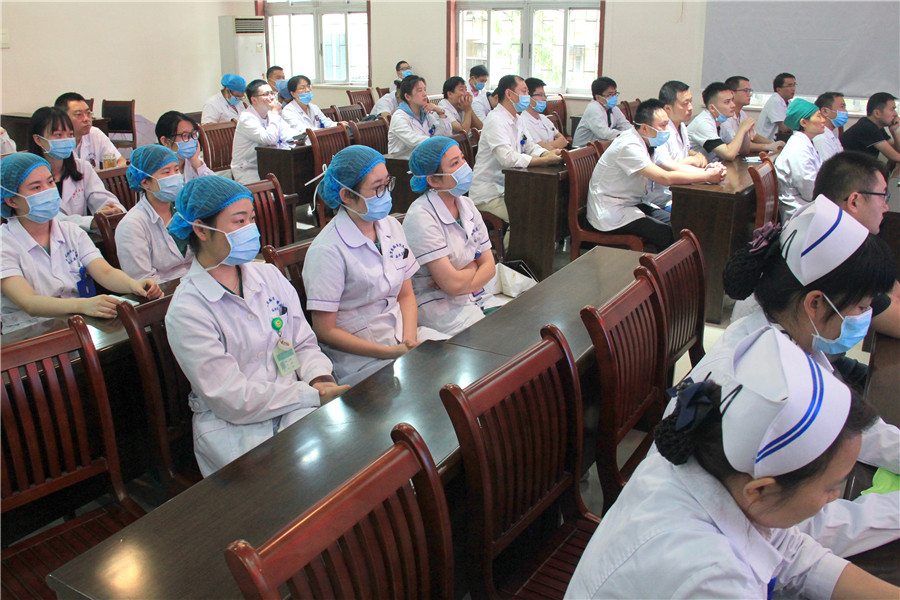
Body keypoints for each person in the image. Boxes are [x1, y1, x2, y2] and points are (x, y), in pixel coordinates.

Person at [565, 327, 898, 599]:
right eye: (831, 487)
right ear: (761, 490)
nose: (836, 496)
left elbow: (792, 554)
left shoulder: (716, 471)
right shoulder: (712, 575)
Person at [716, 196, 900, 557]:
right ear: (815, 303)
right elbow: (799, 528)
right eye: (861, 307)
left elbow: (848, 426)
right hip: (734, 547)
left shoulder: (795, 337)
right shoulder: (770, 387)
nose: (865, 317)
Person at [164, 175, 348, 476]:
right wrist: (309, 395)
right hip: (235, 431)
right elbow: (231, 398)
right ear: (201, 229)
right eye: (239, 221)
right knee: (292, 486)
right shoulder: (188, 309)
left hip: (297, 407)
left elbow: (302, 343)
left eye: (252, 219)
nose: (251, 229)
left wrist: (319, 379)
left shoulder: (268, 277)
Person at [302, 146, 447, 387]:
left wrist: (409, 340)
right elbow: (325, 330)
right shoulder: (327, 250)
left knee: (455, 360)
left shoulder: (390, 226)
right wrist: (390, 353)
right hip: (360, 358)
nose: (386, 193)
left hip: (401, 336)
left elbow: (406, 294)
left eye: (387, 183)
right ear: (346, 195)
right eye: (377, 188)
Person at [1, 153, 162, 333]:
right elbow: (29, 302)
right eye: (36, 187)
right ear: (11, 200)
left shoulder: (70, 231)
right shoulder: (4, 244)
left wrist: (133, 284)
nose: (48, 191)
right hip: (28, 333)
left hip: (78, 323)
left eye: (50, 182)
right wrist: (82, 305)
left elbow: (105, 272)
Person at [587, 99, 726, 250]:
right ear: (645, 128)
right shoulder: (629, 145)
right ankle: (660, 265)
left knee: (679, 225)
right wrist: (707, 177)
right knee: (666, 234)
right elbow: (665, 178)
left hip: (633, 204)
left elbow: (673, 167)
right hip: (611, 210)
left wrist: (707, 171)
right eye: (663, 125)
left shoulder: (650, 142)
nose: (667, 130)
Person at [404, 137, 495, 336]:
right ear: (433, 180)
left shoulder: (466, 204)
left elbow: (490, 267)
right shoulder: (421, 215)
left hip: (475, 294)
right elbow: (452, 285)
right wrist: (473, 266)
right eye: (455, 163)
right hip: (440, 305)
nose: (464, 166)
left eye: (462, 158)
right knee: (488, 341)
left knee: (514, 328)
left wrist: (461, 277)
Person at [813, 151, 900, 339]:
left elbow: (893, 292)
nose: (886, 206)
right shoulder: (838, 255)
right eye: (882, 196)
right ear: (854, 201)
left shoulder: (822, 227)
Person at [468, 75, 563, 222]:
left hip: (510, 187)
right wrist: (543, 161)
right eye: (524, 92)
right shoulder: (495, 120)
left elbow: (530, 146)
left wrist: (546, 153)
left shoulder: (517, 119)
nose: (527, 96)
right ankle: (512, 239)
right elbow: (507, 158)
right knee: (524, 215)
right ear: (509, 94)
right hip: (489, 193)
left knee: (543, 206)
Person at [27, 107, 124, 231]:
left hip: (80, 237)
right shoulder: (28, 175)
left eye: (70, 134)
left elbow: (100, 196)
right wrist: (91, 222)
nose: (66, 140)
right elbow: (49, 218)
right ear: (38, 139)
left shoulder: (82, 167)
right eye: (58, 135)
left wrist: (113, 210)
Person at [116, 144, 192, 283]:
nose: (175, 177)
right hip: (164, 291)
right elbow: (143, 280)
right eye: (166, 172)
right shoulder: (132, 225)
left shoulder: (186, 210)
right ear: (145, 183)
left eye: (176, 170)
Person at [644, 80, 708, 209]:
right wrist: (705, 172)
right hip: (661, 199)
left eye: (690, 102)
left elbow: (686, 150)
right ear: (667, 108)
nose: (690, 107)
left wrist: (696, 155)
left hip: (679, 190)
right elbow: (666, 168)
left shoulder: (682, 126)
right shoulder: (659, 133)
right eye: (685, 103)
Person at [231, 79, 301, 184]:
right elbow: (270, 139)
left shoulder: (270, 115)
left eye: (272, 93)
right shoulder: (247, 118)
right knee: (277, 189)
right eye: (266, 94)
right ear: (254, 100)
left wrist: (299, 137)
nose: (272, 97)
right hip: (249, 169)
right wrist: (274, 112)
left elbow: (288, 133)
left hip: (269, 164)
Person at [774, 99, 827, 219]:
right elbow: (810, 193)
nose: (823, 120)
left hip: (809, 207)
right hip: (801, 214)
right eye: (819, 116)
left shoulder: (805, 143)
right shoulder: (798, 149)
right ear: (803, 122)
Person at [54, 92, 125, 169]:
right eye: (79, 114)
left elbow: (121, 161)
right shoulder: (57, 142)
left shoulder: (94, 133)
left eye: (88, 113)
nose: (86, 119)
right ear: (62, 118)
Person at [387, 75, 452, 159]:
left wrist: (440, 113)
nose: (425, 94)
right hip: (403, 162)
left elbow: (446, 135)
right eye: (419, 91)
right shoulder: (399, 117)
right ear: (407, 96)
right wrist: (439, 142)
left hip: (426, 156)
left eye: (425, 90)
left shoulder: (425, 114)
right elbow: (414, 141)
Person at [687, 81, 753, 163]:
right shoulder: (703, 123)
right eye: (727, 102)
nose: (733, 105)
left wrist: (746, 132)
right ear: (712, 108)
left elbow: (743, 151)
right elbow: (729, 154)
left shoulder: (721, 122)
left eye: (732, 100)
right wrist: (742, 129)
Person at [722, 76, 784, 154]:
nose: (750, 95)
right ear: (732, 93)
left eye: (750, 91)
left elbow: (755, 136)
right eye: (746, 91)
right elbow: (737, 144)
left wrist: (774, 144)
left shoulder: (742, 113)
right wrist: (768, 146)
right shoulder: (725, 116)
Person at [280, 75, 348, 142]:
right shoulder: (288, 111)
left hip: (319, 140)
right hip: (303, 145)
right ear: (293, 94)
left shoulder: (313, 107)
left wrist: (338, 124)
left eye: (308, 86)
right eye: (302, 88)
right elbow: (302, 130)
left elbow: (325, 122)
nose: (307, 90)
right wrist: (323, 131)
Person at [841, 92, 900, 163]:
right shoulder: (867, 127)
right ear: (877, 113)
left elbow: (897, 150)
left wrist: (894, 131)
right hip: (846, 168)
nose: (895, 114)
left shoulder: (875, 125)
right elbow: (896, 157)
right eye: (892, 109)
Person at [155, 111, 215, 180]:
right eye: (184, 135)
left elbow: (216, 184)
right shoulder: (158, 169)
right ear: (165, 141)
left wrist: (196, 161)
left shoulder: (191, 160)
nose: (191, 139)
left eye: (193, 134)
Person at [572, 76, 630, 147]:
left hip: (601, 146)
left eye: (615, 94)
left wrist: (635, 132)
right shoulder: (593, 108)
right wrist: (626, 135)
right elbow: (604, 133)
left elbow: (624, 124)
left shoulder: (613, 108)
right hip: (583, 149)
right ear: (598, 97)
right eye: (610, 94)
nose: (614, 97)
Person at [519, 77, 567, 151]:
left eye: (544, 95)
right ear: (528, 97)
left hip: (553, 154)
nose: (544, 99)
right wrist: (553, 145)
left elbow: (563, 141)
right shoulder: (524, 121)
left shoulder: (543, 118)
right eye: (540, 95)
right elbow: (541, 148)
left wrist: (548, 146)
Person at [755, 72, 796, 141]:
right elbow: (784, 128)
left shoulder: (788, 102)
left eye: (794, 85)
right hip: (763, 142)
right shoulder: (775, 101)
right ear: (779, 89)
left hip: (775, 142)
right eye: (789, 86)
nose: (793, 89)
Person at [813, 92, 848, 162]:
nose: (845, 111)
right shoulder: (821, 137)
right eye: (842, 107)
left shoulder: (831, 134)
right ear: (825, 111)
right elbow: (828, 166)